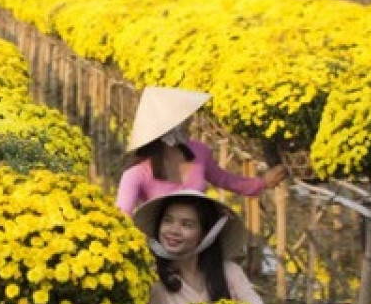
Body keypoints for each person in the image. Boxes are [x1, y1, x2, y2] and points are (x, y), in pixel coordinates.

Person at [132, 189, 343, 304]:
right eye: (168, 220)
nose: (173, 231)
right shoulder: (150, 278)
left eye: (187, 225)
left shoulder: (229, 272)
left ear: (204, 234)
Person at [116, 86, 286, 215]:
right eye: (184, 119)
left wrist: (262, 183)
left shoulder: (199, 152)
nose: (191, 122)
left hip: (197, 238)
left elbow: (224, 179)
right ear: (169, 129)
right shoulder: (136, 174)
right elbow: (123, 217)